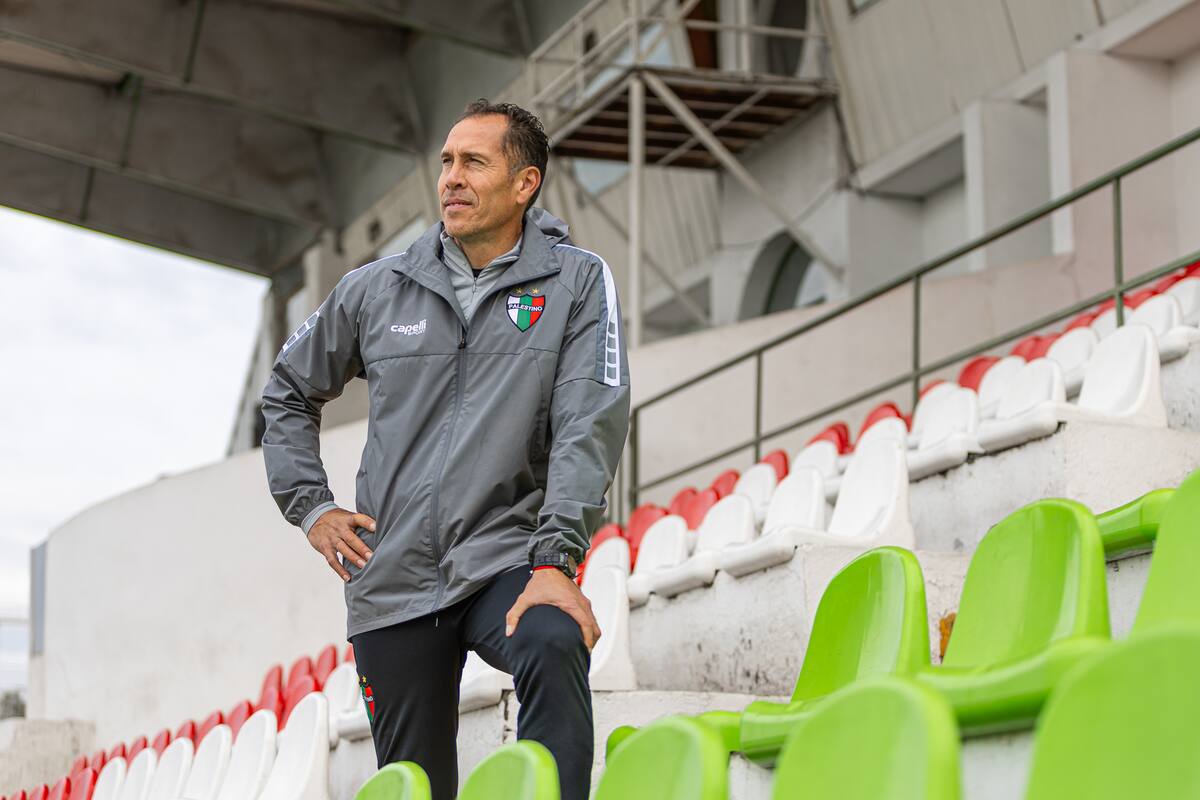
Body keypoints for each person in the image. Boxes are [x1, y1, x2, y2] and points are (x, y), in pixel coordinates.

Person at [260, 98, 631, 800]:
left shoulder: (577, 283)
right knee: (414, 785)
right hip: (392, 578)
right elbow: (286, 391)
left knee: (552, 639)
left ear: (525, 183)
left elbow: (592, 420)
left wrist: (556, 560)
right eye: (447, 162)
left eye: (474, 163)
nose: (451, 179)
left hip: (505, 557)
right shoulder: (375, 288)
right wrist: (311, 508)